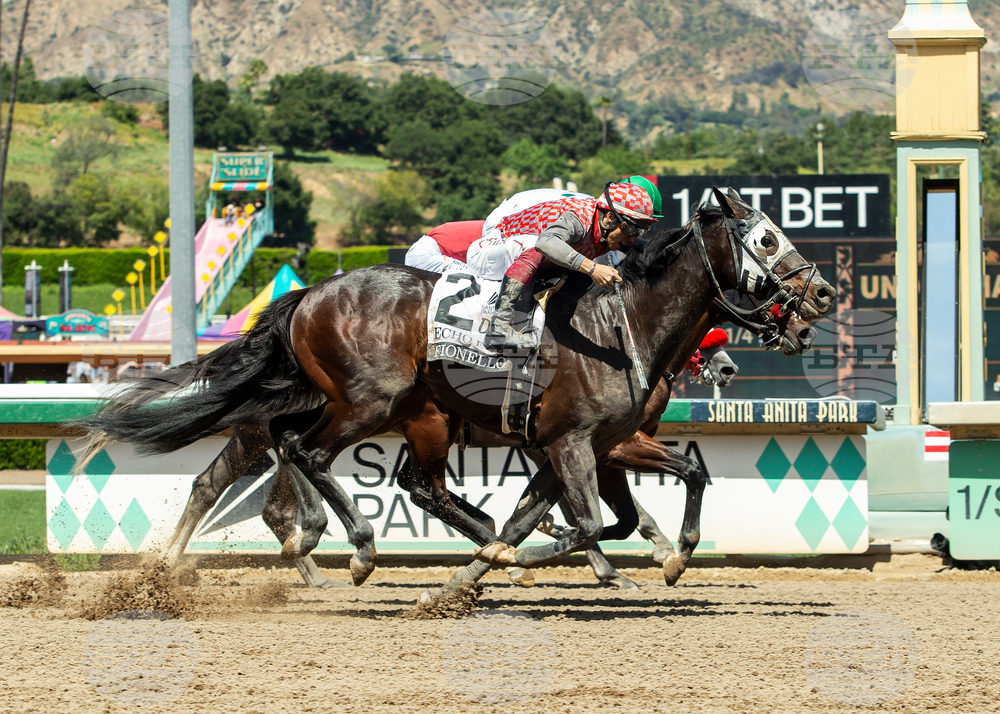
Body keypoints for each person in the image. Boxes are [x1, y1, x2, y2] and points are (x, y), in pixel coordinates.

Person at [481, 182, 660, 350]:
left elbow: (641, 247)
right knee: (540, 249)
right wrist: (593, 268)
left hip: (524, 254)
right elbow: (545, 243)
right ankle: (498, 328)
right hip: (494, 246)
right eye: (630, 229)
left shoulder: (607, 227)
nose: (633, 238)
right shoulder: (579, 219)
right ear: (610, 217)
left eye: (640, 231)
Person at [404, 220, 485, 273]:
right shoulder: (488, 237)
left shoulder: (485, 227)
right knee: (475, 277)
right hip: (425, 255)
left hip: (421, 250)